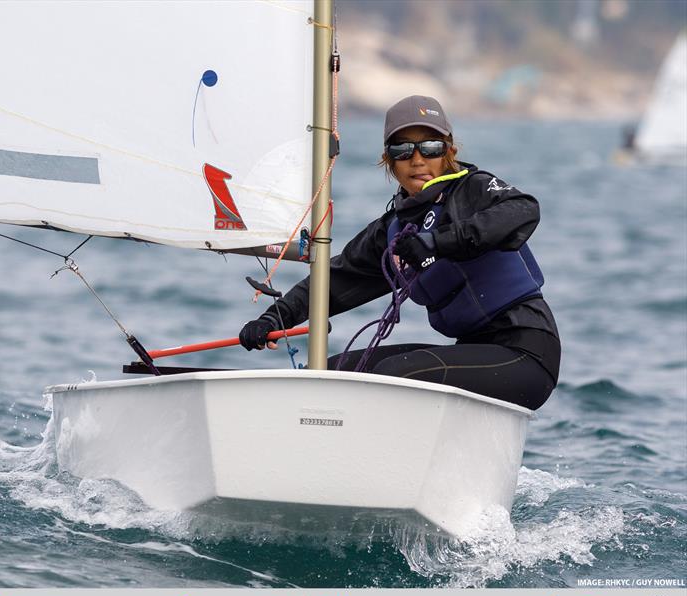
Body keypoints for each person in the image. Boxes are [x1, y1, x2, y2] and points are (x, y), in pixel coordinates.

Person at [239, 95, 560, 410]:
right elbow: (335, 282)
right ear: (388, 160)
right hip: (473, 353)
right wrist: (274, 317)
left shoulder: (472, 189)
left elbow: (523, 210)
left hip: (526, 354)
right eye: (403, 150)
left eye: (431, 148)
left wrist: (439, 242)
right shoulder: (393, 229)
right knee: (327, 373)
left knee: (392, 377)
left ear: (450, 151)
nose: (417, 160)